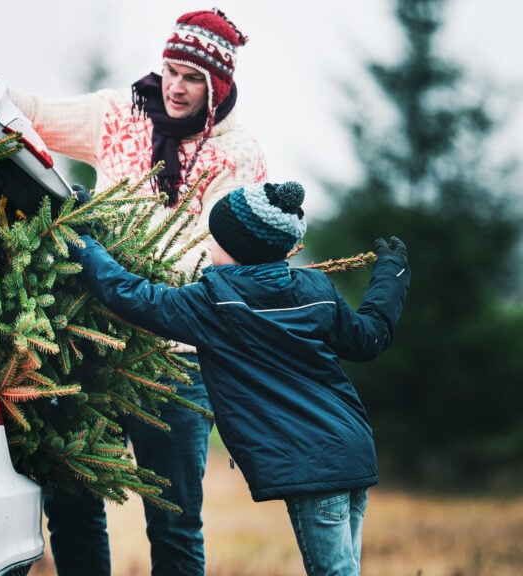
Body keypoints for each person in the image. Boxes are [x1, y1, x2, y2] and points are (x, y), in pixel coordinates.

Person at [0, 8, 265, 575]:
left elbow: (220, 251)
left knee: (174, 519)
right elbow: (40, 114)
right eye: (170, 70)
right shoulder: (122, 113)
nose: (175, 87)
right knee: (70, 503)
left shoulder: (236, 154)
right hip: (90, 342)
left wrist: (126, 272)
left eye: (192, 78)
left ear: (216, 88)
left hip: (175, 359)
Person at [69, 180, 411, 575]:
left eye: (215, 239)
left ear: (238, 249)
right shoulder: (315, 290)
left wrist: (83, 238)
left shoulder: (215, 304)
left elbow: (132, 295)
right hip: (350, 448)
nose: (208, 247)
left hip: (315, 465)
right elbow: (369, 338)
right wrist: (392, 272)